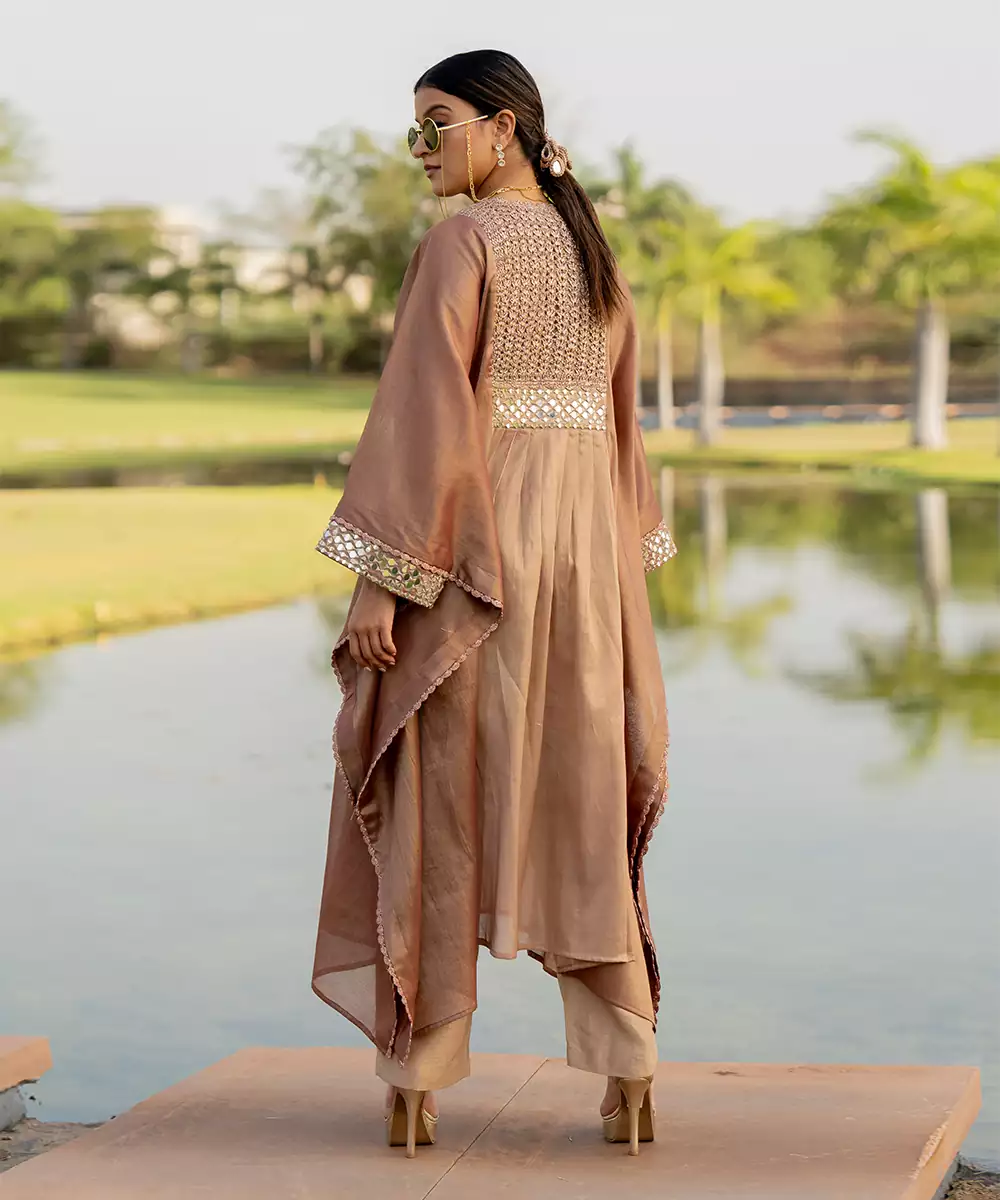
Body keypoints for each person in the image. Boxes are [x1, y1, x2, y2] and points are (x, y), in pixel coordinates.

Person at [311, 48, 677, 1159]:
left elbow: (423, 412)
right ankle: (629, 1070)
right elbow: (621, 438)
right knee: (581, 792)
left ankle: (418, 1081)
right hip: (588, 567)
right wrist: (619, 568)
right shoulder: (591, 249)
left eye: (437, 123)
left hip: (480, 556)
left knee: (437, 790)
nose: (422, 148)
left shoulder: (462, 240)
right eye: (416, 128)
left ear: (503, 128)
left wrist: (382, 577)